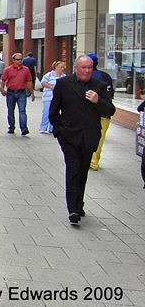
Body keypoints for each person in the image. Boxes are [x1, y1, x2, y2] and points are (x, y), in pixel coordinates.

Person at [48, 55, 116, 224]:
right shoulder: (64, 84)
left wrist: (97, 100)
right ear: (76, 68)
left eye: (89, 68)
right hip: (69, 136)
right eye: (83, 67)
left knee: (82, 171)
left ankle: (79, 203)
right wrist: (59, 131)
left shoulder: (99, 86)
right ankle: (73, 209)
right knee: (73, 169)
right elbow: (54, 111)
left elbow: (110, 109)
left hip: (89, 137)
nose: (87, 71)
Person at [87, 53, 115, 171]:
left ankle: (88, 159)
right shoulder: (105, 76)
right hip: (104, 113)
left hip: (89, 113)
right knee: (100, 138)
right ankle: (94, 161)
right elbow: (111, 93)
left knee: (87, 136)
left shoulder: (85, 76)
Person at [0, 52, 33, 135]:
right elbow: (3, 80)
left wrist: (32, 92)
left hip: (21, 92)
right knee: (10, 111)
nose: (20, 61)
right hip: (10, 92)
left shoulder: (26, 69)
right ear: (13, 60)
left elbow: (29, 81)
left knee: (22, 111)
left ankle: (24, 128)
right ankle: (11, 127)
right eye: (18, 59)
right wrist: (2, 90)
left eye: (21, 59)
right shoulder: (8, 69)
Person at [39, 60, 67, 134]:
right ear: (56, 67)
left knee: (55, 113)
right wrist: (51, 86)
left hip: (57, 98)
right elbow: (43, 83)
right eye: (61, 67)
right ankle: (43, 127)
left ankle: (52, 128)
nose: (62, 69)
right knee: (46, 112)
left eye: (63, 67)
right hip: (48, 97)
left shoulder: (64, 76)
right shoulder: (49, 74)